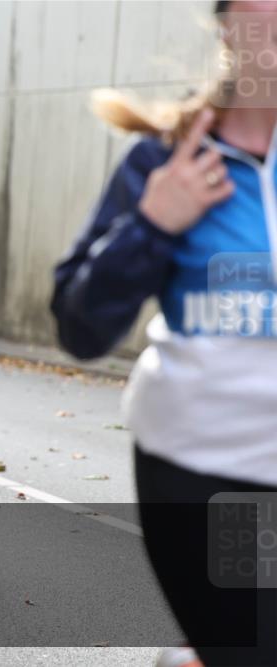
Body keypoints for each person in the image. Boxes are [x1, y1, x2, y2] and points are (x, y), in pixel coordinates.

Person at [51, 3, 276, 665]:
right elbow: (80, 326)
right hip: (213, 468)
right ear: (227, 21)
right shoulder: (166, 159)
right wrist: (151, 224)